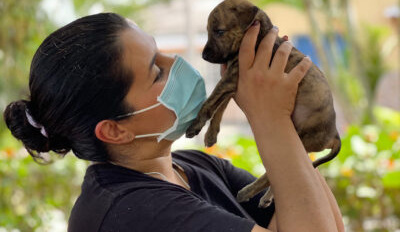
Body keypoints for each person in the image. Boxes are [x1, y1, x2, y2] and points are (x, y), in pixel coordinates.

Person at [3, 12, 344, 232]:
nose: (177, 62)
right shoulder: (130, 211)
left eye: (160, 51)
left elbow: (327, 225)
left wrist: (291, 119)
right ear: (115, 129)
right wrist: (270, 119)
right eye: (157, 70)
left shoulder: (196, 167)